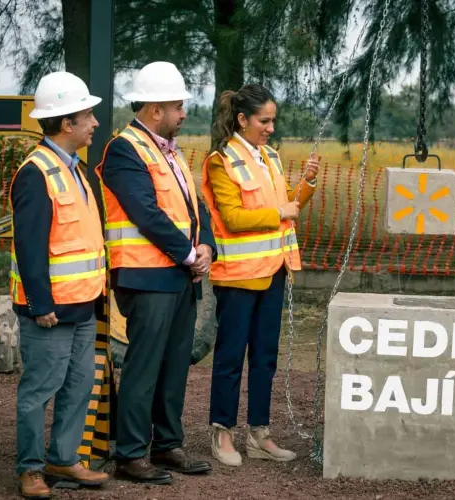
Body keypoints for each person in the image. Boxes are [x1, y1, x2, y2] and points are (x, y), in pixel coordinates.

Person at [96, 61, 215, 485]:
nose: (184, 114)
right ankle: (130, 454)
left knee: (175, 366)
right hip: (146, 277)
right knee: (144, 367)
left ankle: (167, 445)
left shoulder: (170, 149)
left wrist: (206, 246)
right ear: (154, 109)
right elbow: (145, 212)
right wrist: (188, 253)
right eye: (177, 106)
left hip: (178, 274)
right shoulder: (124, 149)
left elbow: (194, 207)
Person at [201, 84, 319, 467]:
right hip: (237, 278)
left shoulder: (270, 156)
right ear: (242, 120)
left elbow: (289, 204)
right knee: (231, 356)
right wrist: (282, 211)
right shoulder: (220, 161)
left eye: (273, 121)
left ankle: (259, 434)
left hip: (273, 272)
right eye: (264, 121)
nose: (270, 128)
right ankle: (222, 432)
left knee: (265, 357)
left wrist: (308, 184)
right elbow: (233, 218)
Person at [10, 71, 110, 499]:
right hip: (49, 310)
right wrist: (39, 302)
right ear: (67, 123)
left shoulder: (76, 170)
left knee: (79, 385)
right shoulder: (37, 173)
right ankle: (31, 468)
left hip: (83, 305)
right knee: (39, 390)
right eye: (88, 115)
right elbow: (29, 246)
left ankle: (64, 458)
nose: (94, 123)